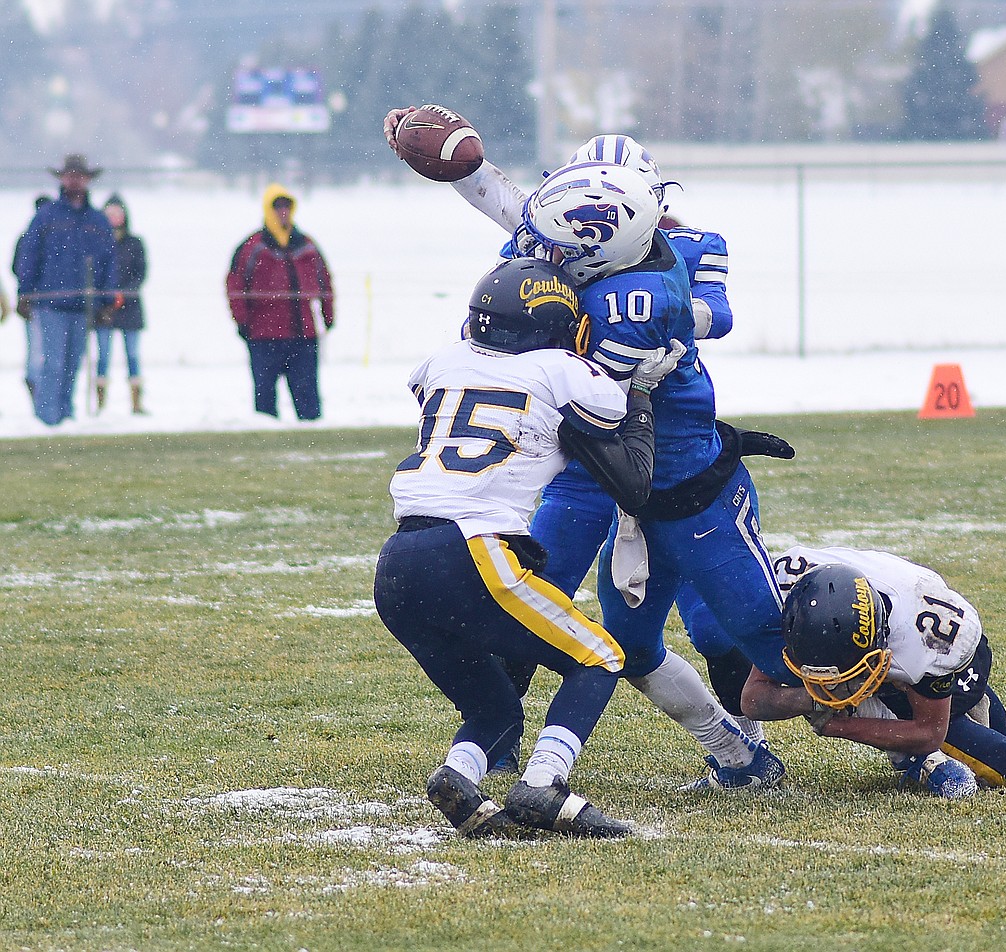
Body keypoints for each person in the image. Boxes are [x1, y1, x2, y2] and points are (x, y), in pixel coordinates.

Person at [385, 111, 795, 791]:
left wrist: (666, 320)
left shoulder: (680, 252)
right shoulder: (562, 235)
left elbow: (716, 315)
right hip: (586, 452)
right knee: (539, 591)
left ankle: (918, 730)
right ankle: (504, 735)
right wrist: (466, 171)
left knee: (740, 625)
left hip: (674, 455)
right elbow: (505, 204)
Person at [374, 255, 683, 837]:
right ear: (554, 327)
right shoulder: (559, 370)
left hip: (397, 564)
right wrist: (639, 394)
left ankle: (458, 779)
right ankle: (544, 785)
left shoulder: (440, 364)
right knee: (599, 657)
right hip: (470, 548)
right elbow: (632, 479)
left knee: (493, 708)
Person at [740, 546, 1006, 798]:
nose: (832, 680)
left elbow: (929, 732)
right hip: (893, 671)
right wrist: (815, 699)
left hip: (942, 674)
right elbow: (753, 700)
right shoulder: (788, 594)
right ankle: (921, 759)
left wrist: (835, 726)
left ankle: (923, 750)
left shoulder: (926, 644)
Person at [13, 155, 117, 426]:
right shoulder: (46, 217)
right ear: (61, 178)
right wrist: (25, 292)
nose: (75, 180)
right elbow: (29, 255)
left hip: (83, 305)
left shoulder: (97, 221)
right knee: (53, 363)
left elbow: (108, 262)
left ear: (88, 180)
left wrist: (106, 301)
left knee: (72, 363)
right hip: (50, 303)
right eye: (70, 175)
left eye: (80, 176)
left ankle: (66, 415)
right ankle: (48, 418)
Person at [225, 184, 334, 421]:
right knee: (265, 400)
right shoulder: (252, 247)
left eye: (286, 207)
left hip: (303, 334)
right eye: (277, 207)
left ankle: (310, 442)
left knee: (308, 399)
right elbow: (235, 285)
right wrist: (243, 322)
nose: (282, 212)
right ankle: (267, 443)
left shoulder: (306, 245)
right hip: (264, 336)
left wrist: (328, 316)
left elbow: (325, 282)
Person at [95, 194, 148, 414]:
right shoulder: (98, 242)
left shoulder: (134, 243)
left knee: (133, 355)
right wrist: (106, 296)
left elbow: (140, 272)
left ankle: (136, 402)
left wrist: (124, 294)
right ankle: (100, 403)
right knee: (103, 355)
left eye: (117, 213)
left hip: (130, 307)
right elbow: (95, 273)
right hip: (104, 308)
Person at [12, 195, 52, 402]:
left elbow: (17, 268)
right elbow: (20, 269)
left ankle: (39, 388)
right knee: (39, 349)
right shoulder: (32, 238)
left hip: (44, 302)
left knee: (38, 349)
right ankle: (37, 388)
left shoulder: (28, 236)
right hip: (40, 303)